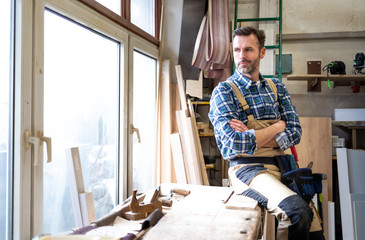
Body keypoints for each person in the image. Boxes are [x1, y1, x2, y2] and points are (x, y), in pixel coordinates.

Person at [208, 26, 324, 240]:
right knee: (297, 212)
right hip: (248, 170)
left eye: (248, 50)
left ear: (262, 52)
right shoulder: (224, 92)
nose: (241, 56)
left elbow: (295, 132)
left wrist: (251, 134)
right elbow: (233, 144)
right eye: (237, 50)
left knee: (315, 232)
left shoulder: (276, 88)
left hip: (284, 168)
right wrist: (278, 127)